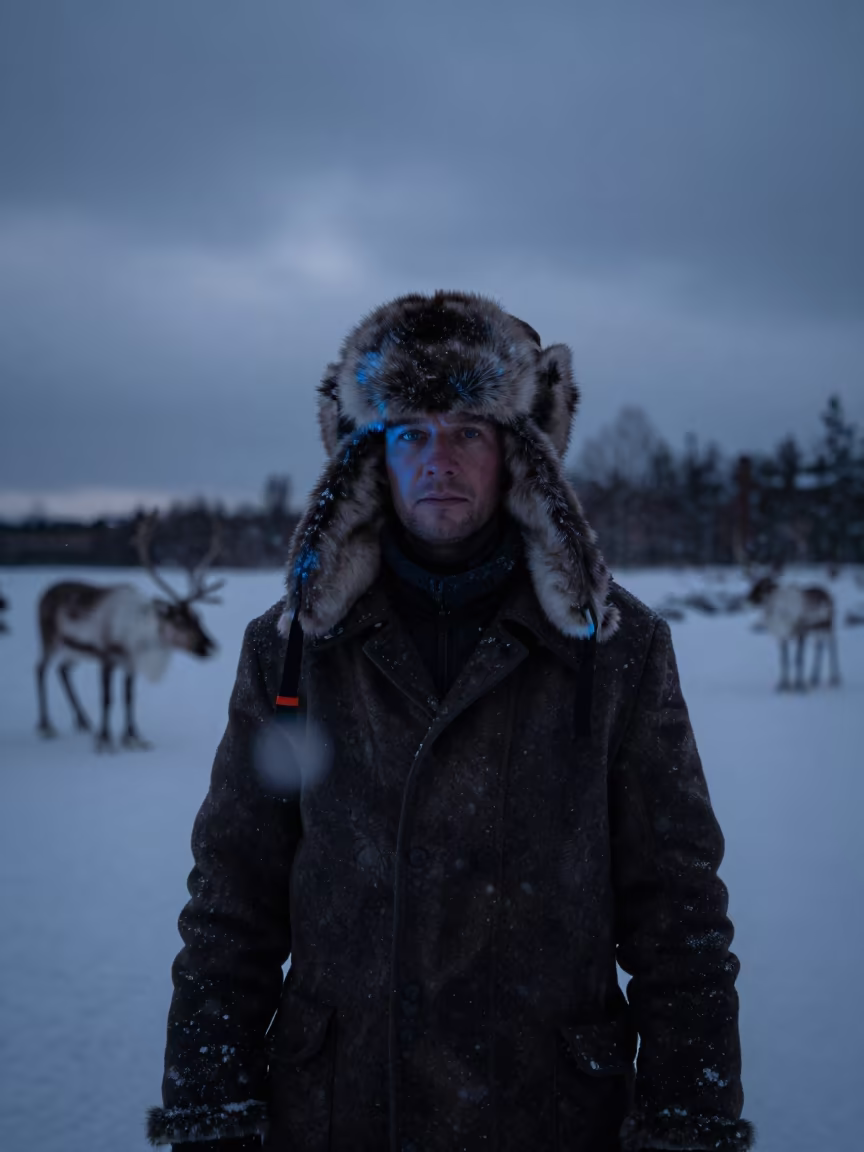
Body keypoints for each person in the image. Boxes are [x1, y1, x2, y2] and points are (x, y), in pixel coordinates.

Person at [147, 291, 753, 1152]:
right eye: (410, 432)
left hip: (548, 1115)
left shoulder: (615, 648)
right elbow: (230, 900)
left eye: (469, 429)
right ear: (369, 456)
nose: (439, 458)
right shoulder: (292, 650)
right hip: (340, 1113)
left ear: (520, 455)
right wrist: (210, 1111)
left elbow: (681, 914)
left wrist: (690, 1123)